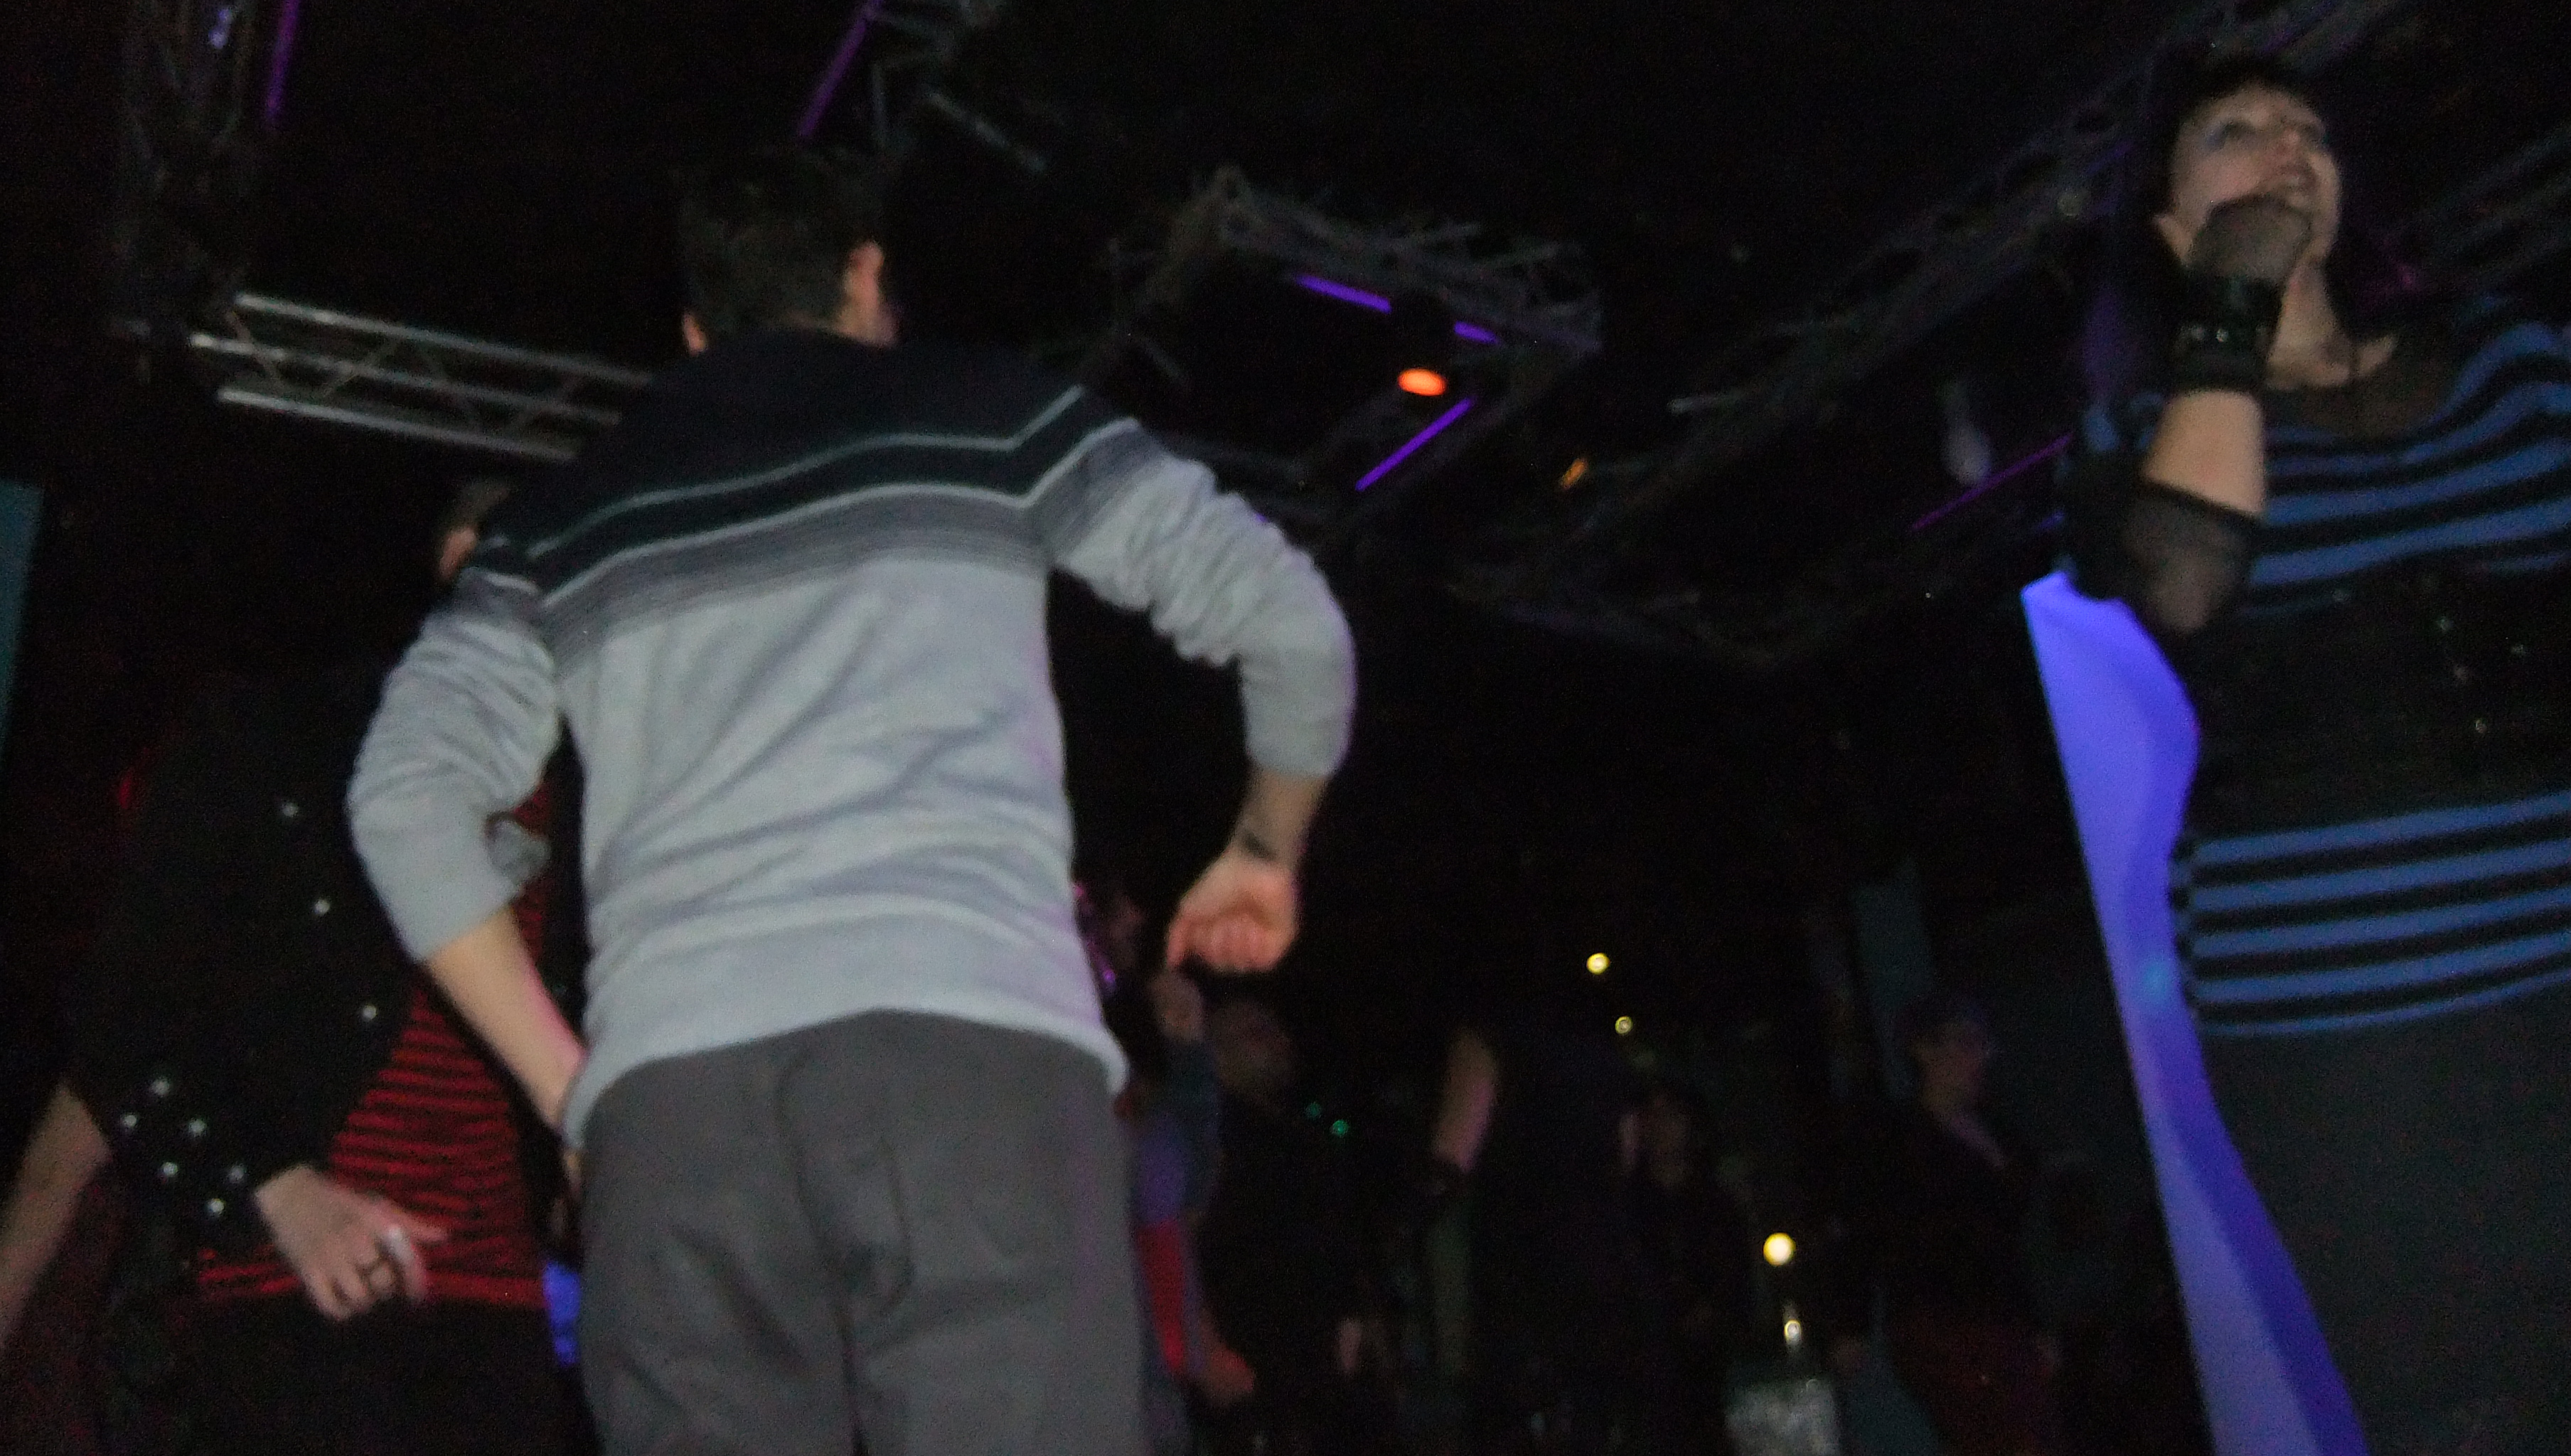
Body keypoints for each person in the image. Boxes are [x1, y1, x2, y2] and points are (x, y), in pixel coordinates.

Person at [346, 146, 1357, 1456]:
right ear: (867, 277)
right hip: (971, 1070)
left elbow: (404, 798)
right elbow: (1289, 621)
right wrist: (1264, 847)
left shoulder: (560, 520)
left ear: (695, 330)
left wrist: (573, 1090)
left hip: (680, 1122)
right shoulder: (990, 414)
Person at [2065, 52, 2571, 1452]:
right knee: (2476, 1408)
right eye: (2234, 134)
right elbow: (2184, 582)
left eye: (2307, 129)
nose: (2288, 146)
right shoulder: (2135, 439)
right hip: (2343, 1015)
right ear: (2171, 227)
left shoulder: (2512, 365)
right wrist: (2229, 303)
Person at [0, 481, 571, 1456]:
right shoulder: (281, 742)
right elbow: (120, 1014)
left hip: (498, 1312)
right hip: (291, 1285)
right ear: (466, 557)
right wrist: (275, 1188)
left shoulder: (581, 801)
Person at [1833, 993, 2060, 1456]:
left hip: (2000, 1317)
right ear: (1925, 1050)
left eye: (1983, 1043)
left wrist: (2034, 1322)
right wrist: (1851, 1324)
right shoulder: (1897, 1137)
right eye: (1966, 1042)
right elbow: (1866, 1228)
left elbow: (2010, 1243)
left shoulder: (1999, 1135)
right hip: (1936, 1317)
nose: (1981, 1057)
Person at [1193, 996, 1373, 1456]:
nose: (1279, 1043)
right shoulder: (1205, 1138)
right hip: (1250, 1361)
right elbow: (1175, 1244)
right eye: (1257, 1034)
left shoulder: (1301, 1138)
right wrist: (1207, 1347)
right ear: (1216, 1054)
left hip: (1315, 1368)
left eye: (1277, 1032)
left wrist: (1350, 1315)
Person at [1628, 1081, 1751, 1456]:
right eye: (1650, 1116)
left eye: (1670, 1116)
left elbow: (1734, 1280)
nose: (1658, 1127)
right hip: (1645, 1365)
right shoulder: (1628, 1207)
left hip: (1710, 1366)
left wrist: (1711, 1313)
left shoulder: (1715, 1204)